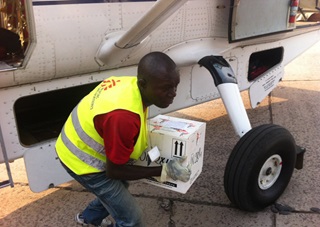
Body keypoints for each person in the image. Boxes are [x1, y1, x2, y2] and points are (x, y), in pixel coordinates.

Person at [55, 52, 191, 227]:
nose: (173, 93)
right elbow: (115, 172)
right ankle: (91, 219)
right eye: (166, 88)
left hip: (74, 145)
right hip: (81, 161)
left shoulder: (131, 85)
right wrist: (163, 170)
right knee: (132, 219)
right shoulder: (123, 118)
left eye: (175, 86)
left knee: (119, 189)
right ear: (143, 84)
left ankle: (88, 219)